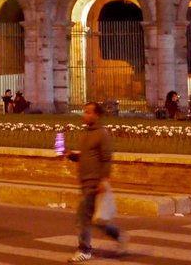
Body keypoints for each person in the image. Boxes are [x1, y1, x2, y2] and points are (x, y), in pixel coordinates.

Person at [64, 101, 127, 262]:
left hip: (94, 182)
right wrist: (72, 155)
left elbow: (106, 158)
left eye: (88, 112)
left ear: (97, 115)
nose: (85, 115)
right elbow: (86, 157)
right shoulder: (86, 133)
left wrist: (103, 180)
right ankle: (119, 236)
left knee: (83, 218)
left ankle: (84, 249)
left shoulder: (101, 133)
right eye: (84, 112)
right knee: (98, 220)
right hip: (85, 181)